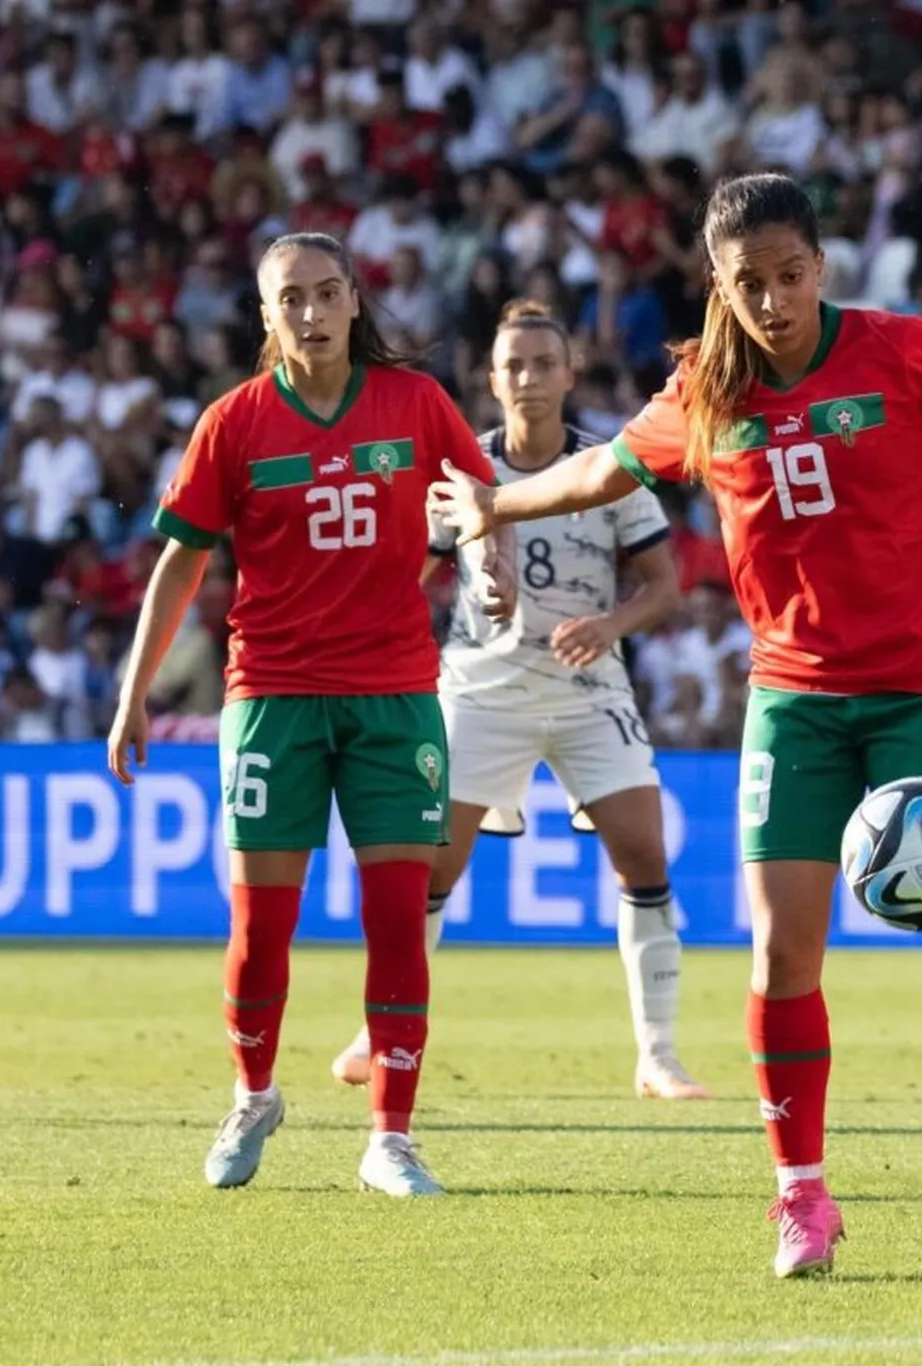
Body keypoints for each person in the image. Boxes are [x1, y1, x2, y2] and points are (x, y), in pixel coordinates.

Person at [430, 173, 922, 1282]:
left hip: (921, 690)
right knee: (780, 948)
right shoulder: (705, 391)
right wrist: (493, 502)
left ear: (821, 268)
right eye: (748, 282)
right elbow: (594, 473)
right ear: (719, 284)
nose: (773, 300)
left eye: (790, 275)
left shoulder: (901, 349)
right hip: (793, 698)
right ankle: (800, 1195)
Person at [107, 232, 514, 1198]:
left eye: (328, 294)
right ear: (266, 316)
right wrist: (133, 694)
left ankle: (392, 1137)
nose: (312, 313)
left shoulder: (415, 403)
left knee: (397, 925)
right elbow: (182, 562)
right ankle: (253, 1094)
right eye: (291, 299)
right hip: (273, 698)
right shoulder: (235, 423)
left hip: (394, 698)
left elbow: (475, 497)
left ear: (353, 301)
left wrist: (483, 553)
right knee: (260, 927)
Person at [328, 299, 707, 1101]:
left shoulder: (610, 466)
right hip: (479, 688)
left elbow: (665, 586)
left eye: (544, 363)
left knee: (643, 855)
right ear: (491, 380)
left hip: (588, 689)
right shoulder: (462, 478)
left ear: (570, 373)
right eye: (514, 366)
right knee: (431, 869)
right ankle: (380, 1028)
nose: (529, 378)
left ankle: (658, 1054)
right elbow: (409, 575)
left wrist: (610, 624)